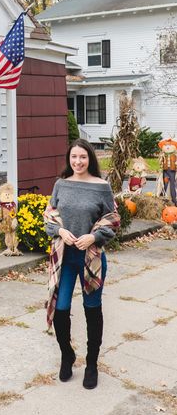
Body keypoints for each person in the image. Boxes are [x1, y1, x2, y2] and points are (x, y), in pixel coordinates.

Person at [43, 138, 120, 389]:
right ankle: (67, 354)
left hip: (91, 258)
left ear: (90, 159)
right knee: (61, 308)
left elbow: (113, 219)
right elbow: (48, 218)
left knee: (92, 309)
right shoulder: (60, 184)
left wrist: (94, 237)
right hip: (64, 258)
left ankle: (92, 365)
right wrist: (60, 231)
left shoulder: (102, 187)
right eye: (74, 157)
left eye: (83, 157)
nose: (78, 161)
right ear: (69, 159)